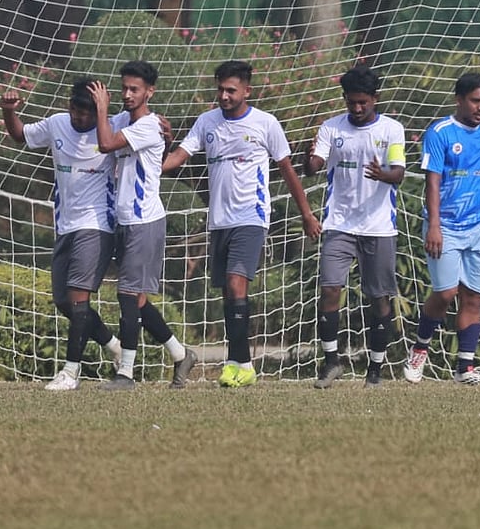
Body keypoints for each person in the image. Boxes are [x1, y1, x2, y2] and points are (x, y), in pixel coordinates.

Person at [163, 60, 323, 387]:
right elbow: (181, 154)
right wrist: (154, 165)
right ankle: (238, 362)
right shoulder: (207, 122)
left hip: (251, 217)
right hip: (218, 221)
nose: (223, 96)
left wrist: (306, 214)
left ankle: (243, 364)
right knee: (228, 294)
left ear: (247, 91)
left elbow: (289, 171)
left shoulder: (266, 124)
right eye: (220, 89)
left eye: (231, 90)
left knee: (237, 284)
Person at [1, 79, 123, 390]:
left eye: (87, 113)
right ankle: (113, 345)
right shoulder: (56, 124)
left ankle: (70, 373)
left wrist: (159, 123)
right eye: (75, 111)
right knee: (64, 303)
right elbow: (19, 134)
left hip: (96, 225)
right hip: (65, 225)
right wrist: (8, 111)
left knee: (79, 297)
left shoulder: (111, 126)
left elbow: (144, 122)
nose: (80, 118)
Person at [89, 61, 197, 390]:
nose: (126, 94)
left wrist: (102, 108)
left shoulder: (149, 126)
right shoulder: (124, 120)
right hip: (124, 221)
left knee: (126, 295)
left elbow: (106, 144)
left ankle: (125, 374)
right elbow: (102, 134)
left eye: (134, 89)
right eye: (123, 88)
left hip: (144, 221)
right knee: (136, 300)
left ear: (150, 92)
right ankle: (180, 354)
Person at [302, 65, 406, 388]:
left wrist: (383, 174)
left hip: (378, 227)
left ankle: (375, 368)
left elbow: (399, 172)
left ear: (375, 98)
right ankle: (331, 362)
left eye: (363, 102)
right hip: (339, 224)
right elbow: (314, 166)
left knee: (379, 298)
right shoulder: (331, 129)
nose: (357, 109)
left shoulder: (392, 130)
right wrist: (310, 161)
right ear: (345, 100)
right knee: (330, 288)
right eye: (351, 103)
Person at [403, 72, 480, 385]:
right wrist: (433, 225)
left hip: (476, 228)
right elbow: (432, 181)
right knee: (446, 293)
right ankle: (419, 350)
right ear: (459, 100)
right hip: (444, 225)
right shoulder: (440, 132)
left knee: (473, 297)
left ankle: (465, 369)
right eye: (475, 100)